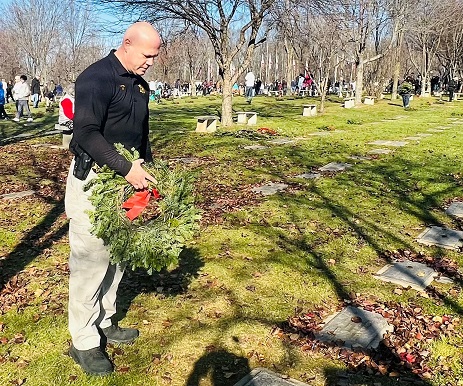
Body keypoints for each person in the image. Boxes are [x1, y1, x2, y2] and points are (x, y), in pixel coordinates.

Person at [65, 21, 161, 376]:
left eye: (154, 57)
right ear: (126, 44)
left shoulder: (139, 85)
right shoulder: (96, 78)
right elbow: (86, 132)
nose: (151, 62)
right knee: (90, 260)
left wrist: (148, 173)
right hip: (95, 180)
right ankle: (84, 341)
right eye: (147, 55)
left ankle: (105, 320)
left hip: (128, 180)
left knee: (118, 255)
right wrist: (125, 168)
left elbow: (141, 132)